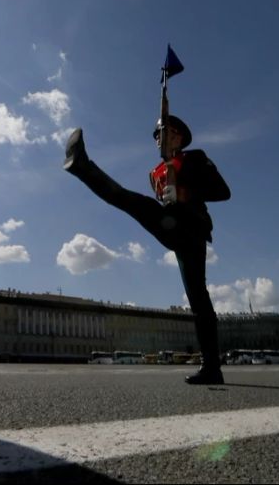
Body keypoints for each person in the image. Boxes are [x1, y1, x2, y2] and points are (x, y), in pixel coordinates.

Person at [63, 116, 230, 385]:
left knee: (198, 298)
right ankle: (81, 166)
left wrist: (187, 193)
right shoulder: (155, 173)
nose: (157, 139)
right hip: (170, 226)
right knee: (129, 200)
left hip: (192, 230)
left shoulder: (195, 158)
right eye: (155, 135)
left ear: (177, 137)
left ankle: (212, 367)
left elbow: (223, 191)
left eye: (162, 133)